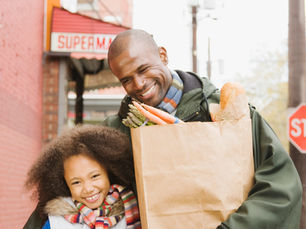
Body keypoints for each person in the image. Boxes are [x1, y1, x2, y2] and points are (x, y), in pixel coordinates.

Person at [24, 29, 302, 228]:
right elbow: (65, 187)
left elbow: (281, 186)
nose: (139, 84)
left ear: (163, 55)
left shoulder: (228, 113)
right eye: (126, 80)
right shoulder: (113, 133)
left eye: (144, 69)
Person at [24, 125, 141, 229]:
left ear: (109, 172)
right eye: (76, 182)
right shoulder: (56, 222)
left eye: (94, 176)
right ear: (64, 184)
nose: (88, 188)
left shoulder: (131, 209)